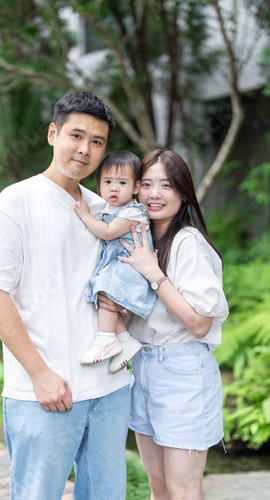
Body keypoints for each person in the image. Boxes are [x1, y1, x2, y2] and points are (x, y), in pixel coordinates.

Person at [0, 91, 131, 500]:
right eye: (76, 136)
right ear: (53, 133)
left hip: (108, 390)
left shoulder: (103, 210)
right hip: (44, 394)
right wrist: (40, 375)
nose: (85, 149)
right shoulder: (15, 202)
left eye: (97, 142)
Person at [100, 149, 229, 500]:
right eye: (146, 184)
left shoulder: (188, 242)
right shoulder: (140, 237)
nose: (154, 194)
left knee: (183, 490)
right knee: (158, 488)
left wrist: (154, 274)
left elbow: (199, 324)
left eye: (166, 185)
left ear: (184, 192)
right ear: (135, 189)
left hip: (182, 372)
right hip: (142, 367)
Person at [74, 150, 157, 373]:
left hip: (130, 267)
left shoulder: (133, 212)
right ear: (99, 186)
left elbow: (109, 232)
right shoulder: (111, 209)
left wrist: (85, 216)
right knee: (105, 297)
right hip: (119, 265)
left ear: (136, 188)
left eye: (122, 182)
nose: (114, 187)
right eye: (108, 181)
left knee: (105, 293)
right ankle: (124, 339)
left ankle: (105, 339)